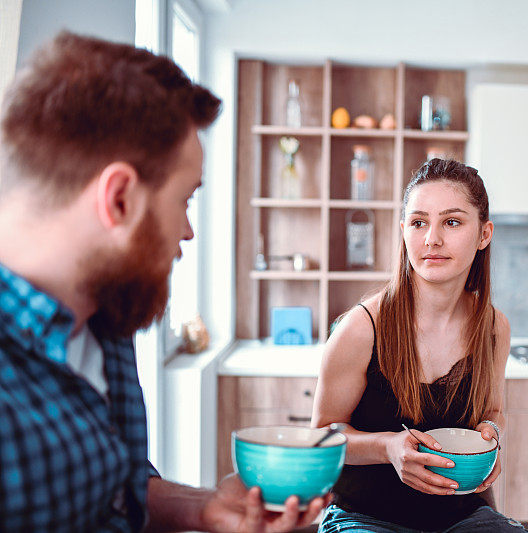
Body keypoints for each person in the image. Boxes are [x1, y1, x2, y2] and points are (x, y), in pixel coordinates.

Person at [0, 32, 328, 532]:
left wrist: (202, 509)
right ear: (120, 200)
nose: (188, 231)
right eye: (185, 200)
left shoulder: (105, 317)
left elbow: (114, 489)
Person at [311, 159, 528, 532]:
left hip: (462, 516)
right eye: (418, 222)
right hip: (364, 517)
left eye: (452, 222)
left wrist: (490, 431)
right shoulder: (362, 327)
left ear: (484, 234)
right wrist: (388, 448)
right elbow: (322, 436)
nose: (432, 239)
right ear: (404, 232)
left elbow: (493, 409)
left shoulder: (493, 327)